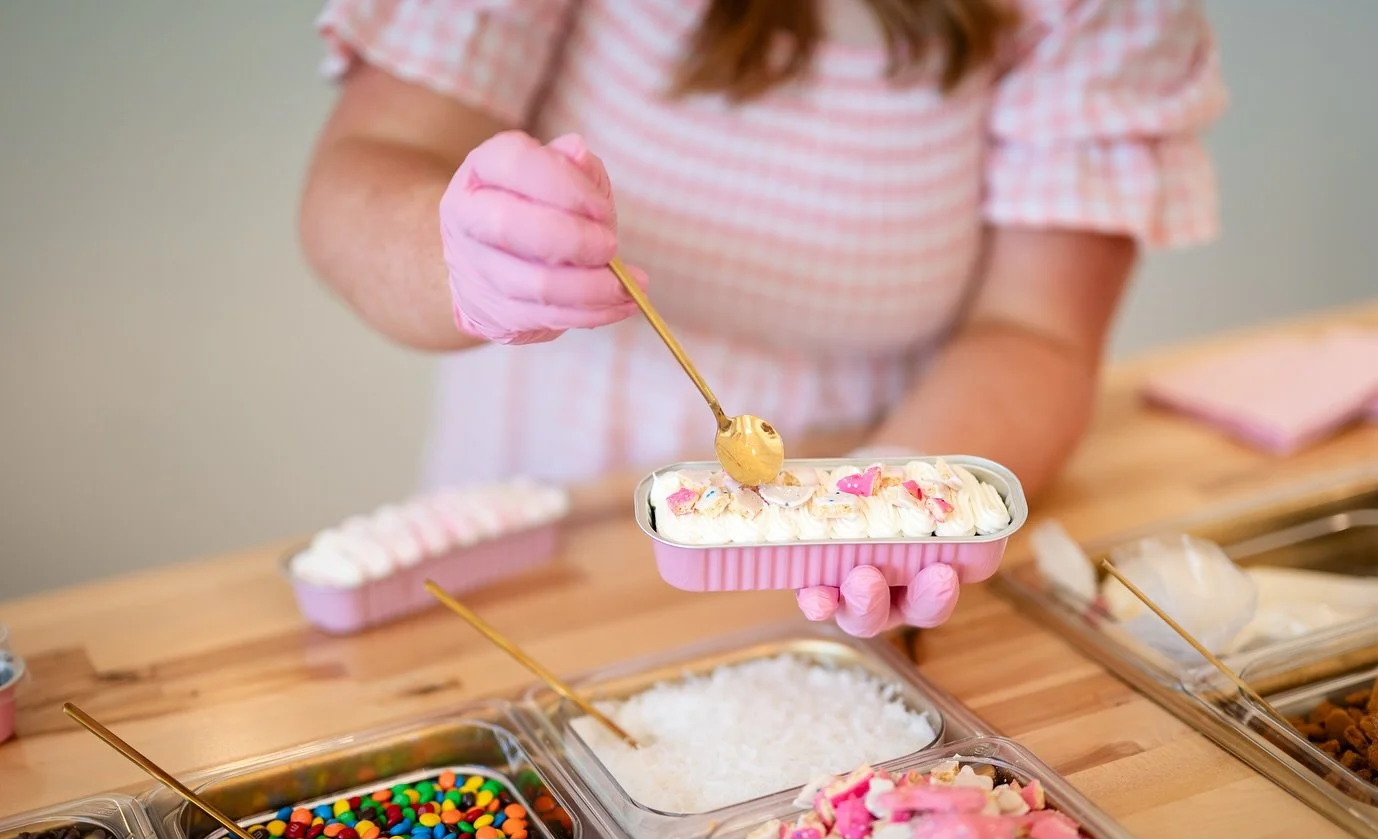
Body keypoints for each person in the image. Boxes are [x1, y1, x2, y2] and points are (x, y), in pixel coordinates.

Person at [299, 0, 1226, 637]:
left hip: (870, 490)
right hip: (536, 517)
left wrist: (892, 508)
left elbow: (1038, 332)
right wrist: (461, 256)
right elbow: (366, 165)